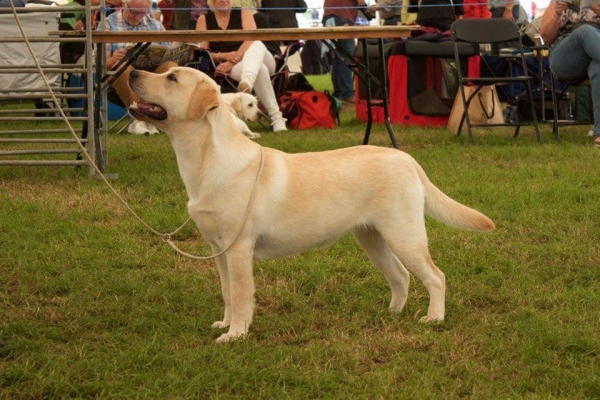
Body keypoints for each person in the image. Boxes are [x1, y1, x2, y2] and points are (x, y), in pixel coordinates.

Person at [196, 0, 287, 132]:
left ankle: (248, 80)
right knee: (260, 69)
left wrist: (232, 60)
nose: (223, 0)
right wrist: (223, 56)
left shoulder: (243, 12)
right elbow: (203, 52)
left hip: (258, 57)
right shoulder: (204, 19)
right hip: (238, 66)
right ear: (211, 2)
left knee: (256, 42)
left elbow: (251, 38)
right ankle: (276, 118)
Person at [102, 0, 178, 134]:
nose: (138, 17)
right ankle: (142, 118)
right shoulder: (108, 23)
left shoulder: (154, 24)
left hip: (151, 74)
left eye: (142, 13)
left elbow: (168, 51)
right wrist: (112, 59)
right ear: (125, 5)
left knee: (172, 67)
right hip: (122, 74)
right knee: (122, 67)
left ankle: (159, 116)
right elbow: (100, 62)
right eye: (134, 12)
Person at [540, 0, 600, 146]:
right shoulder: (557, 2)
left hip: (594, 54)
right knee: (584, 31)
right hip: (565, 58)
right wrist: (557, 14)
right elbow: (546, 37)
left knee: (598, 68)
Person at [323, 0, 371, 104]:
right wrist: (369, 13)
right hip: (343, 18)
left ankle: (339, 92)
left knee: (339, 57)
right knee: (346, 56)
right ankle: (346, 93)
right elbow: (361, 2)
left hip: (329, 17)